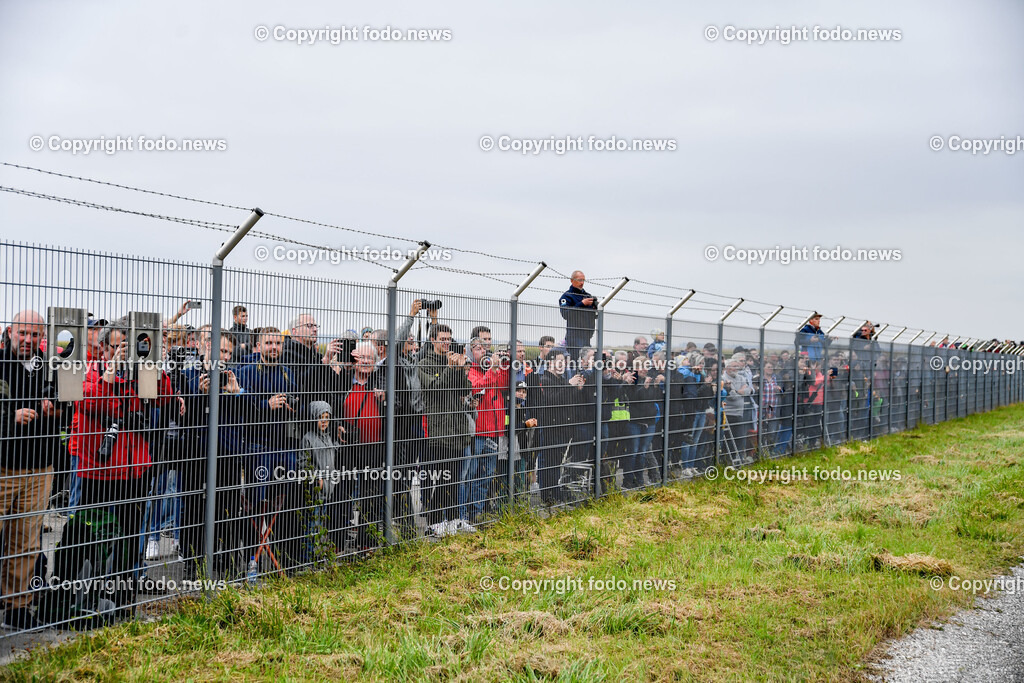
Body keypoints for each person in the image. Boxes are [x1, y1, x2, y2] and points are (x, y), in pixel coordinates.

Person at [69, 316, 175, 615]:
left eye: (126, 347)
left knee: (129, 537)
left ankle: (123, 599)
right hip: (98, 471)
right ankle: (84, 596)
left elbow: (162, 397)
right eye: (116, 347)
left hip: (134, 469)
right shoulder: (89, 370)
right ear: (102, 348)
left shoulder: (138, 372)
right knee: (92, 537)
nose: (121, 353)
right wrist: (112, 373)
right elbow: (92, 402)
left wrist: (155, 364)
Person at [0, 311, 66, 629]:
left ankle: (17, 605)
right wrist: (9, 419)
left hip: (41, 466)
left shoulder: (51, 365)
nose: (27, 339)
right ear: (11, 332)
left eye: (34, 334)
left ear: (43, 336)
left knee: (25, 540)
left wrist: (55, 410)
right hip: (4, 466)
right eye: (22, 333)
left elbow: (70, 407)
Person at [299, 401, 343, 561]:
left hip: (328, 491)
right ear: (313, 418)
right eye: (320, 417)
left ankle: (319, 555)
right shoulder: (308, 439)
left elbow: (332, 454)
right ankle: (309, 559)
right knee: (313, 526)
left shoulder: (328, 438)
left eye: (326, 417)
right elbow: (304, 463)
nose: (324, 421)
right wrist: (317, 479)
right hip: (316, 491)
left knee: (322, 525)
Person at [558, 271, 598, 361]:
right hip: (574, 337)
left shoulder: (587, 296)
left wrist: (595, 307)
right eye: (579, 280)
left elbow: (593, 315)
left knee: (587, 361)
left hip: (587, 336)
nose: (582, 283)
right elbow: (565, 314)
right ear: (572, 280)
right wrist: (582, 304)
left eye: (583, 280)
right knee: (576, 362)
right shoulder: (566, 297)